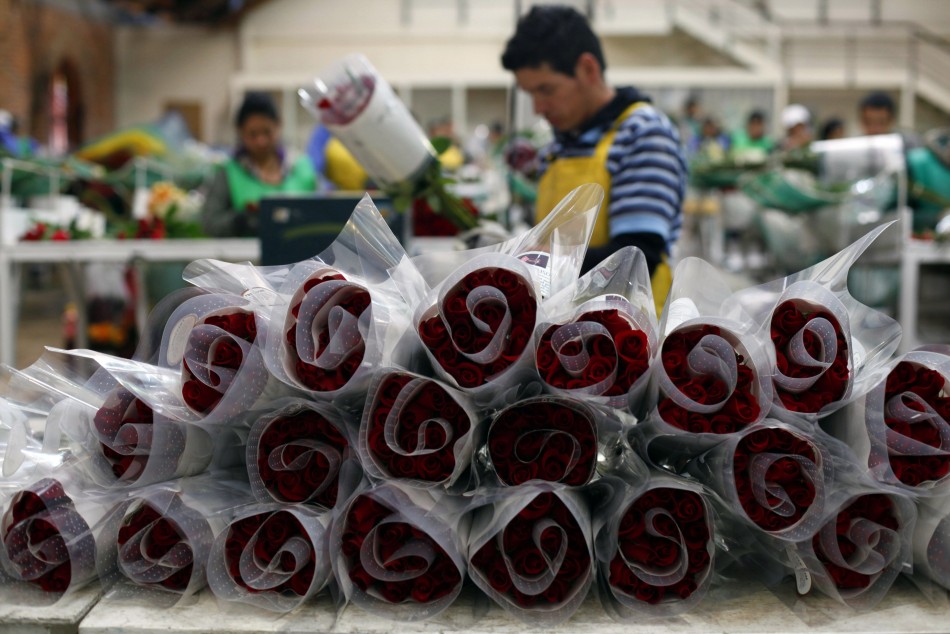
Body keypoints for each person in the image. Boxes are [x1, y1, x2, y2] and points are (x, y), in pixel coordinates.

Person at [501, 5, 686, 313]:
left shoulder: (642, 133)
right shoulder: (560, 145)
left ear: (588, 69)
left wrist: (533, 262)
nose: (538, 108)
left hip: (624, 331)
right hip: (561, 324)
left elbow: (637, 259)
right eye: (530, 94)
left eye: (546, 90)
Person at [202, 92, 317, 237]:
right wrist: (241, 221)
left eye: (267, 132)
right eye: (253, 134)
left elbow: (320, 216)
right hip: (245, 257)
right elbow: (209, 224)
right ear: (240, 132)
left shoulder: (302, 167)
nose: (261, 141)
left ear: (279, 126)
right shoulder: (228, 173)